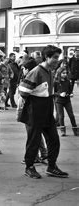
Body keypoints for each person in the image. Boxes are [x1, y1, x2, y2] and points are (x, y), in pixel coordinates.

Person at [19, 45, 69, 179]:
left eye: (58, 58)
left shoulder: (50, 71)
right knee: (33, 141)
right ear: (47, 57)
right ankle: (29, 167)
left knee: (54, 140)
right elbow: (23, 91)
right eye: (54, 57)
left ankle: (51, 167)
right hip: (35, 109)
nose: (57, 60)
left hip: (47, 108)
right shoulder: (36, 71)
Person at [54, 66, 77, 137]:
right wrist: (59, 94)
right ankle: (62, 131)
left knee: (71, 115)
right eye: (63, 73)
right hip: (59, 101)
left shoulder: (68, 81)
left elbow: (70, 90)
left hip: (67, 101)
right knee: (61, 116)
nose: (65, 74)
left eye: (66, 73)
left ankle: (75, 130)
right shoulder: (56, 82)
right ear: (59, 73)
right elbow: (53, 92)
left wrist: (71, 93)